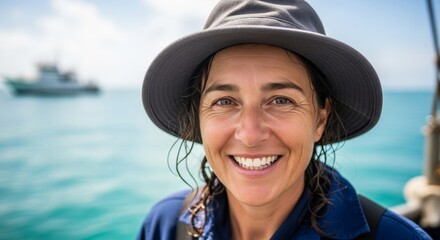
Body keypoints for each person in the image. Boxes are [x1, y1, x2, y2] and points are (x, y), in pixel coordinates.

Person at [137, 0, 432, 239]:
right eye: (224, 101)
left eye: (281, 100)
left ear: (320, 119)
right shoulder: (166, 226)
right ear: (198, 117)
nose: (250, 134)